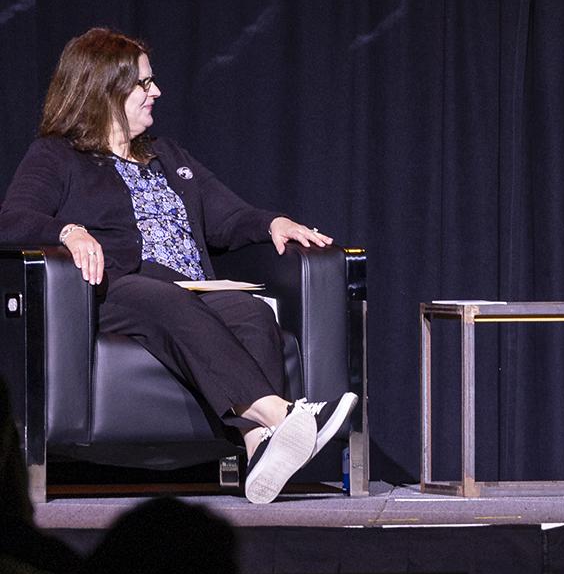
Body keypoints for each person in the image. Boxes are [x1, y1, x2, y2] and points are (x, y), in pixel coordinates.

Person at [0, 28, 357, 505]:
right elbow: (12, 219)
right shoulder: (57, 155)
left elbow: (226, 216)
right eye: (144, 84)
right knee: (160, 296)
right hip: (115, 287)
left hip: (190, 288)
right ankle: (283, 416)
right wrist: (67, 231)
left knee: (250, 312)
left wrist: (272, 222)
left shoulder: (167, 156)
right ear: (105, 89)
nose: (156, 93)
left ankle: (258, 451)